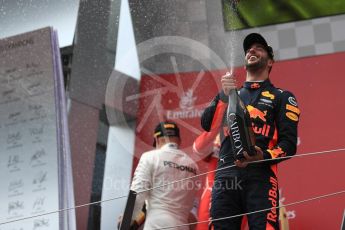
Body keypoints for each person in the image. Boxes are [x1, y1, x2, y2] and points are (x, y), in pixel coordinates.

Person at [201, 33, 300, 229]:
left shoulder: (282, 97)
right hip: (226, 177)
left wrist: (262, 156)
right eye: (248, 49)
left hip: (261, 176)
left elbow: (288, 145)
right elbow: (206, 124)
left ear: (270, 61)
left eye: (259, 48)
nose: (252, 50)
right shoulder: (230, 94)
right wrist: (223, 94)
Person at [125, 121, 199, 230]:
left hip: (157, 225)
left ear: (158, 140)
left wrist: (125, 222)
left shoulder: (150, 157)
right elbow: (192, 208)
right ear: (179, 140)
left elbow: (136, 194)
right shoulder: (193, 165)